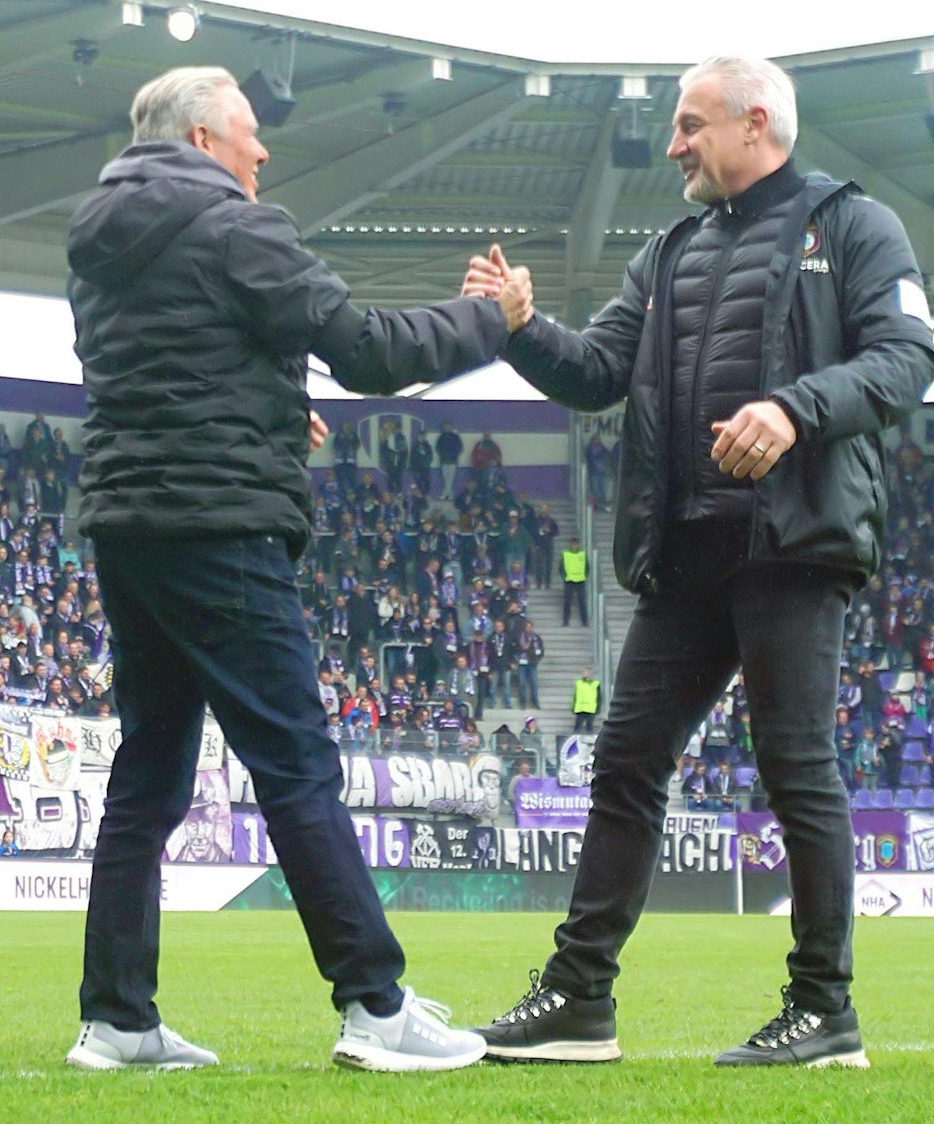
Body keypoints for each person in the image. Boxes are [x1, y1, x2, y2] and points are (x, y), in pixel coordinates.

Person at [463, 55, 934, 1068]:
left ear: (755, 122)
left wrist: (794, 408)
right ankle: (580, 999)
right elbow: (594, 372)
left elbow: (907, 360)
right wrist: (519, 329)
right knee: (624, 761)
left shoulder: (853, 224)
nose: (672, 143)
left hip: (793, 545)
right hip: (683, 555)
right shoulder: (667, 253)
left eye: (690, 124)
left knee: (795, 768)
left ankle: (825, 1011)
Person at [62, 66, 522, 1073]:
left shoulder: (96, 242)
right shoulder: (235, 226)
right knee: (296, 762)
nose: (262, 153)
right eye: (249, 134)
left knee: (148, 774)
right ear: (197, 138)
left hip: (128, 522)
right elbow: (362, 347)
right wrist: (492, 321)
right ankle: (374, 1001)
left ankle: (117, 1018)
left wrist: (267, 407)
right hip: (221, 526)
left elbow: (157, 370)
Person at [560, 537, 589, 626]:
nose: (574, 546)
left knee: (582, 602)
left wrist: (584, 576)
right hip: (569, 581)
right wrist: (564, 577)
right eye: (573, 544)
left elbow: (587, 567)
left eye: (576, 544)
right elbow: (561, 567)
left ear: (579, 544)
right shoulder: (565, 554)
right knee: (567, 603)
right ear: (570, 544)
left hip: (580, 581)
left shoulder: (583, 554)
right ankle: (565, 621)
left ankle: (584, 621)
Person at [572, 667, 602, 734]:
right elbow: (575, 696)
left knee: (589, 728)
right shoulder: (578, 683)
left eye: (587, 672)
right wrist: (573, 707)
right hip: (580, 709)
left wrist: (598, 708)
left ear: (590, 674)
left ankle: (590, 743)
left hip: (591, 709)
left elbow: (599, 697)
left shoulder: (596, 684)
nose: (585, 674)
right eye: (583, 672)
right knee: (577, 728)